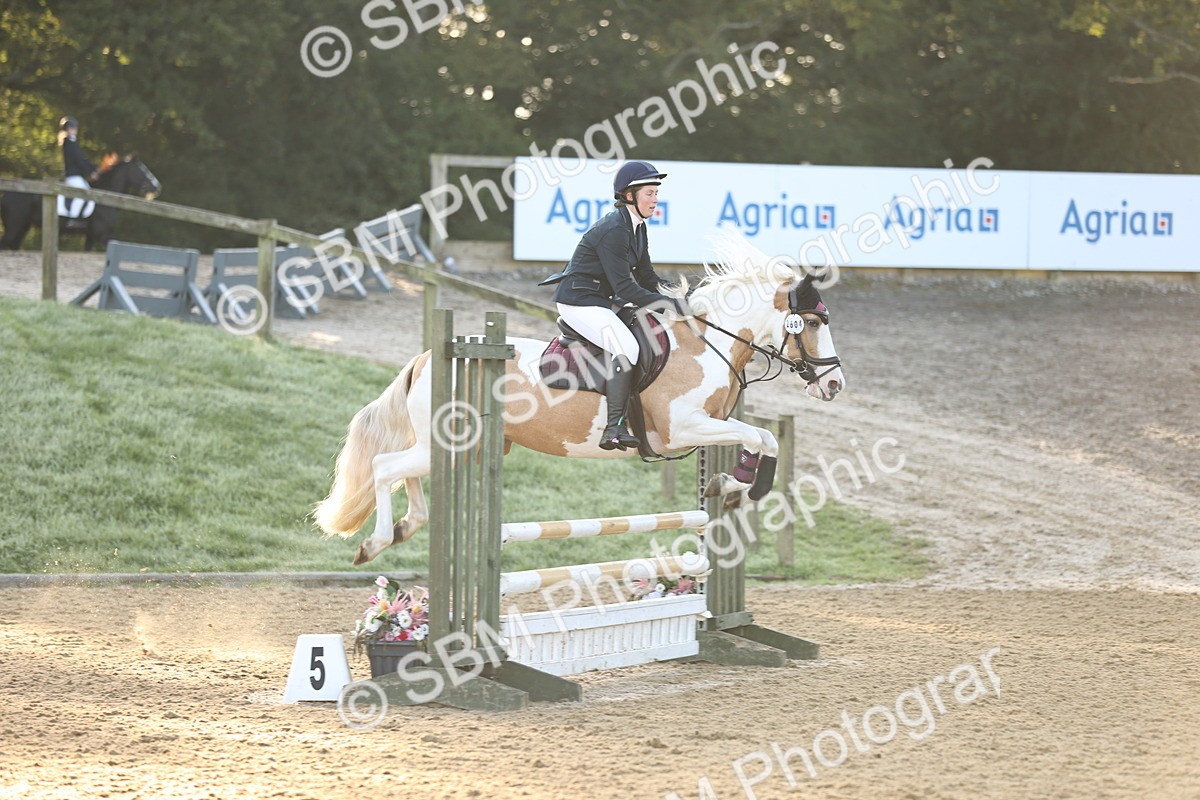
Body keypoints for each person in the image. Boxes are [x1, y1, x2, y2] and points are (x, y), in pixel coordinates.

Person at [545, 160, 691, 451]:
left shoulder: (637, 227)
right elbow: (626, 288)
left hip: (601, 301)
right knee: (627, 347)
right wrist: (669, 306)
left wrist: (681, 297)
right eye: (649, 193)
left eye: (656, 193)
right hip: (579, 302)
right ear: (629, 196)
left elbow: (646, 277)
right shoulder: (614, 229)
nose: (655, 199)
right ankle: (613, 427)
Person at [58, 116, 98, 219]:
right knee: (82, 195)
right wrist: (90, 172)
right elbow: (79, 160)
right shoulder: (68, 143)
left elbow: (83, 159)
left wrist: (94, 169)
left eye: (74, 128)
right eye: (71, 128)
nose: (73, 130)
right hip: (73, 176)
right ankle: (72, 217)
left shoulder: (73, 142)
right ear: (66, 130)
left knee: (87, 191)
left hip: (77, 176)